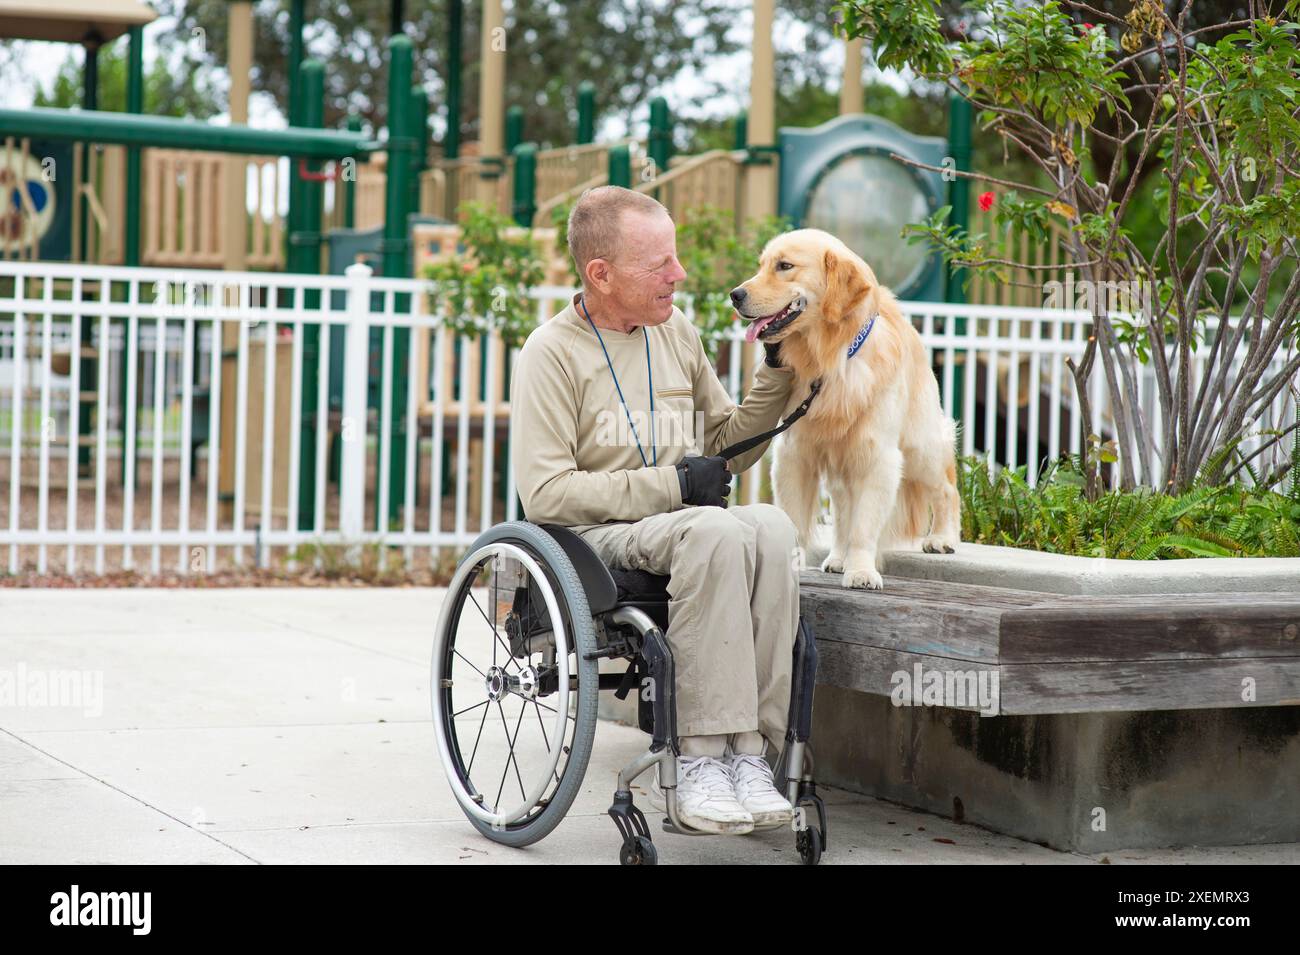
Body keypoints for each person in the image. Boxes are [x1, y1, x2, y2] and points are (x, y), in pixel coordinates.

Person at [509, 185, 802, 835]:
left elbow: (725, 447)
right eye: (660, 263)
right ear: (601, 274)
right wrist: (672, 484)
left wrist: (779, 365)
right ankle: (700, 758)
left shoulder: (676, 333)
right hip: (596, 541)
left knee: (773, 526)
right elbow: (548, 494)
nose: (680, 274)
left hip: (684, 527)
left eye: (675, 257)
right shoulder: (550, 353)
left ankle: (753, 754)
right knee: (715, 528)